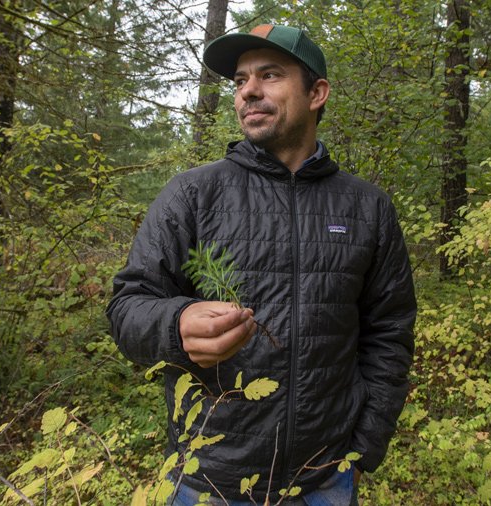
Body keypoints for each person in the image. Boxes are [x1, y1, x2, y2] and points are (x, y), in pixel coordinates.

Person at [106, 24, 416, 505]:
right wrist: (175, 323)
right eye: (240, 80)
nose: (248, 90)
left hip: (324, 480)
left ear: (317, 93)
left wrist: (362, 451)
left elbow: (389, 334)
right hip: (207, 480)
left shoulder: (368, 208)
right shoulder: (193, 194)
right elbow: (127, 307)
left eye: (269, 75)